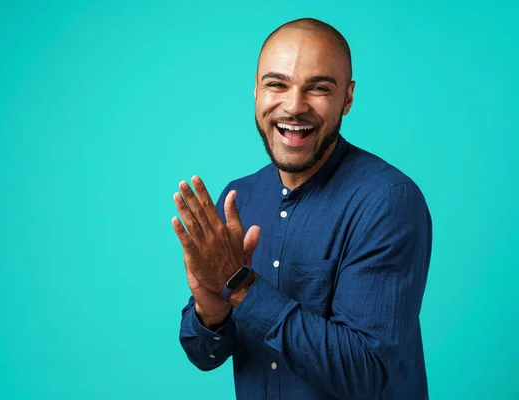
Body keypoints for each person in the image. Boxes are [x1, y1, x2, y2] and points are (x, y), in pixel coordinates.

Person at [171, 17, 432, 400]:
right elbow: (205, 354)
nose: (294, 106)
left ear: (347, 98)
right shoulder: (237, 200)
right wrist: (211, 309)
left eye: (319, 88)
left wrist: (239, 286)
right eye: (276, 84)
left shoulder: (387, 202)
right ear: (256, 91)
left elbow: (365, 374)